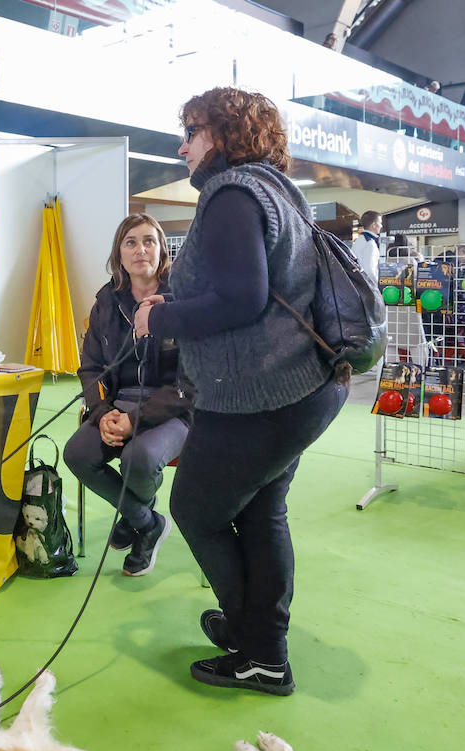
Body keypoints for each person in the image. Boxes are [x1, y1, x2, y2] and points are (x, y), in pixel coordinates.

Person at [132, 87, 348, 696]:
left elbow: (242, 298)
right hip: (299, 388)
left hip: (258, 397)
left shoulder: (231, 193)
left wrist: (162, 319)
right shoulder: (276, 188)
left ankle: (258, 650)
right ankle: (260, 642)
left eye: (192, 132)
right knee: (259, 511)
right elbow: (249, 289)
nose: (183, 145)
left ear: (223, 135)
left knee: (195, 511)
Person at [63, 214, 193, 577]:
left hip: (174, 409)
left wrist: (135, 421)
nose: (140, 250)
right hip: (119, 404)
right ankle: (146, 521)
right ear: (119, 253)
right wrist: (102, 412)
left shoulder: (184, 301)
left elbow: (191, 382)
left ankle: (135, 514)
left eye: (149, 241)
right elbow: (90, 368)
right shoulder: (106, 303)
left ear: (162, 249)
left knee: (139, 457)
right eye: (131, 242)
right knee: (76, 453)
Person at [351, 210, 382, 279]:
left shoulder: (360, 240)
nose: (381, 226)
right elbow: (370, 270)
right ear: (374, 225)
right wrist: (378, 286)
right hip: (368, 285)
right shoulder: (370, 243)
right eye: (380, 223)